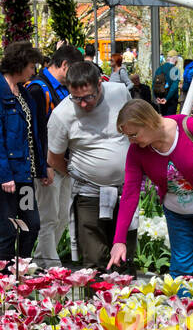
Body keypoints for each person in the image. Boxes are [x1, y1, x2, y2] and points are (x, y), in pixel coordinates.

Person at [109, 98, 193, 276]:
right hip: (176, 212)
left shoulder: (191, 128)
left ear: (148, 122)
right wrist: (119, 240)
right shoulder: (137, 151)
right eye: (127, 136)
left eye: (133, 134)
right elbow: (129, 194)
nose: (131, 141)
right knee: (181, 268)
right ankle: (182, 304)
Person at [46, 60, 134, 272]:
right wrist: (79, 174)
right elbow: (54, 158)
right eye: (76, 98)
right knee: (95, 259)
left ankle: (127, 302)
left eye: (88, 97)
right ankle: (95, 301)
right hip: (88, 193)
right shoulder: (62, 114)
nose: (83, 104)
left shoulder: (119, 93)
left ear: (100, 85)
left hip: (125, 191)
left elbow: (133, 124)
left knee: (124, 256)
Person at [0, 40, 49, 264]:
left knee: (32, 223)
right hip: (4, 177)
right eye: (30, 66)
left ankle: (22, 267)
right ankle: (5, 278)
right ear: (20, 65)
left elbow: (32, 134)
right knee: (8, 228)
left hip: (23, 174)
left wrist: (41, 168)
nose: (33, 70)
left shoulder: (22, 93)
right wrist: (5, 175)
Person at [27, 45, 82, 265]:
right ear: (65, 65)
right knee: (49, 216)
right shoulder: (38, 89)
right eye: (75, 70)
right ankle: (49, 263)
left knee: (61, 218)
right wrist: (43, 166)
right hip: (48, 164)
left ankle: (43, 258)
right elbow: (35, 132)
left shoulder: (62, 88)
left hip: (65, 163)